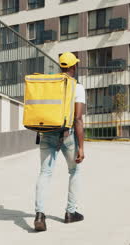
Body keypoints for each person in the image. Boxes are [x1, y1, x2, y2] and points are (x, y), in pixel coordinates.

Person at [33, 52, 86, 232]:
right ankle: (71, 213)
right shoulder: (77, 87)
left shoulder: (51, 84)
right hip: (67, 134)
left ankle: (40, 215)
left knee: (45, 173)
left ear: (61, 67)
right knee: (75, 170)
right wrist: (82, 147)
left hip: (47, 132)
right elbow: (78, 118)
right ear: (74, 67)